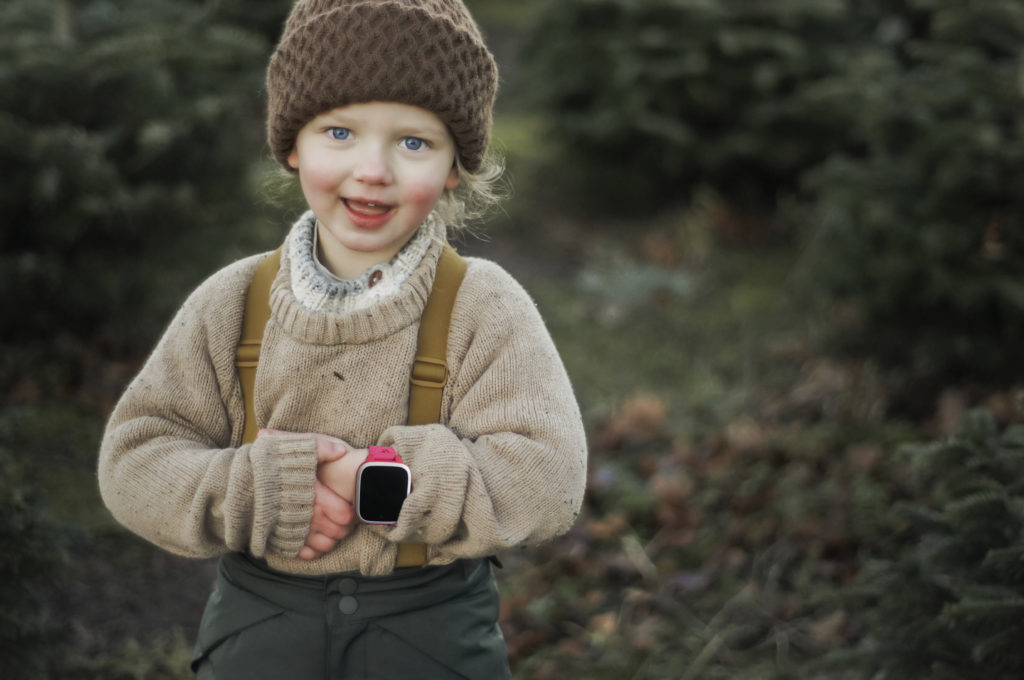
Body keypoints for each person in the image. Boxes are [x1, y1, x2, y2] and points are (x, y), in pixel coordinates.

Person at [96, 0, 588, 677]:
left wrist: (376, 482)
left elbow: (548, 480)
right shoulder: (232, 302)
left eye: (414, 141)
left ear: (454, 166)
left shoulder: (483, 306)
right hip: (259, 632)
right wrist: (261, 488)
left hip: (429, 639)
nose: (373, 169)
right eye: (340, 132)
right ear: (292, 143)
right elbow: (134, 460)